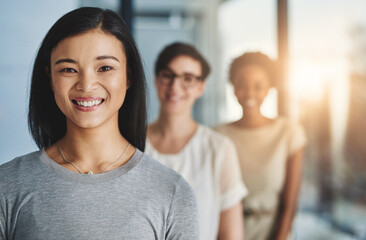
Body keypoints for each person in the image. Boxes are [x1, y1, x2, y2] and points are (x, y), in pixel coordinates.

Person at [0, 7, 199, 240]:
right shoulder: (8, 185)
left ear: (128, 76)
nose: (86, 85)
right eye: (68, 69)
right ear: (50, 79)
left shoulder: (172, 192)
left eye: (105, 68)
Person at [146, 42, 248, 240]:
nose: (175, 87)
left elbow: (231, 235)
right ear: (157, 80)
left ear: (201, 87)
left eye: (188, 78)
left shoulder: (218, 149)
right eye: (168, 75)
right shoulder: (130, 145)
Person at [215, 52, 307, 240]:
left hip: (273, 232)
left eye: (258, 86)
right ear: (233, 88)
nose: (249, 93)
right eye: (241, 85)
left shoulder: (288, 133)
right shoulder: (217, 136)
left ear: (268, 88)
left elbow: (290, 204)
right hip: (225, 232)